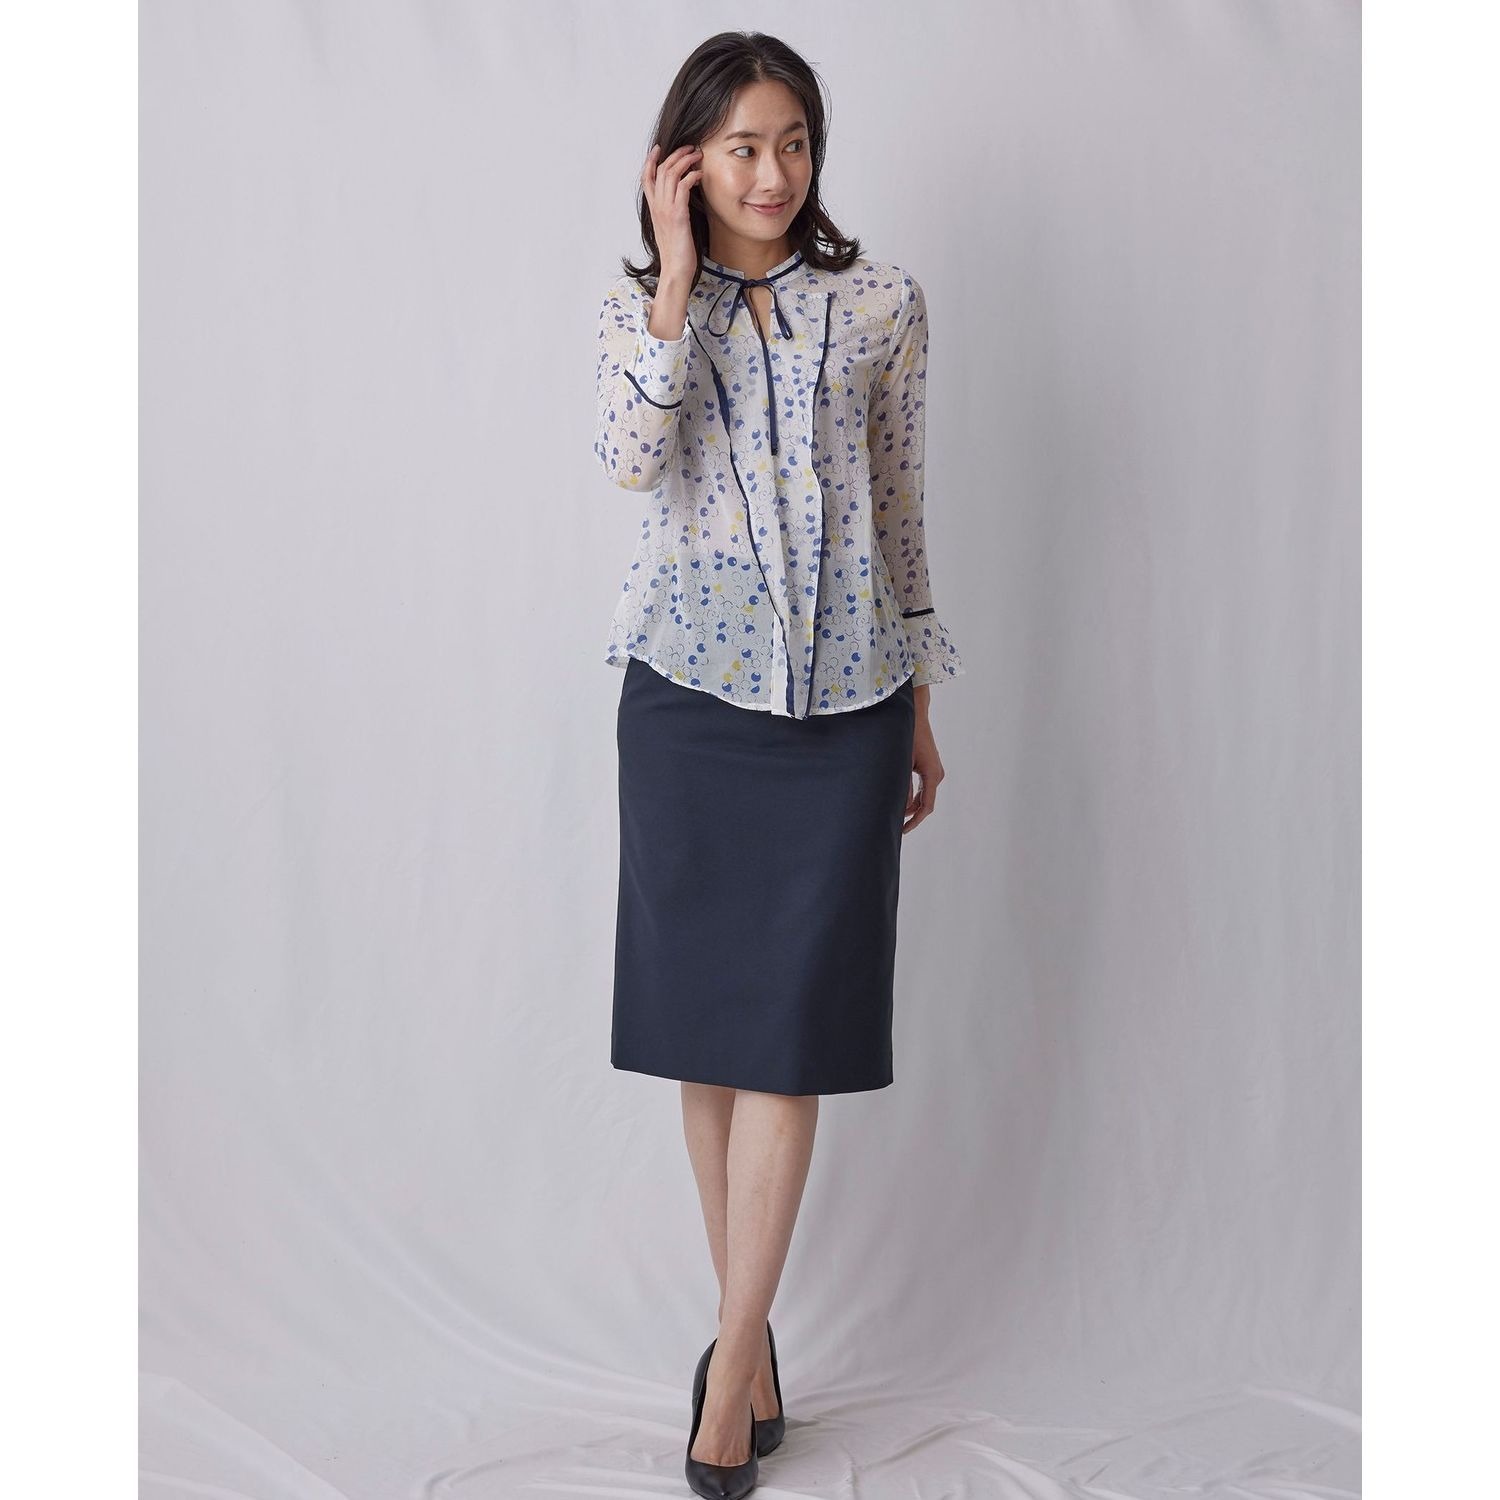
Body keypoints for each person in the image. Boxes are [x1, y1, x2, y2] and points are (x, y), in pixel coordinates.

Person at [592, 31, 965, 1499]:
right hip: (688, 706)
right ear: (686, 161)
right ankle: (746, 1355)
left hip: (846, 707)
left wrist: (919, 701)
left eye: (794, 142)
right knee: (710, 1035)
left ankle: (732, 1364)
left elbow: (902, 505)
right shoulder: (644, 313)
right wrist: (675, 284)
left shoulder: (880, 305)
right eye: (743, 147)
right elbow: (630, 459)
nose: (773, 173)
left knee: (791, 1038)